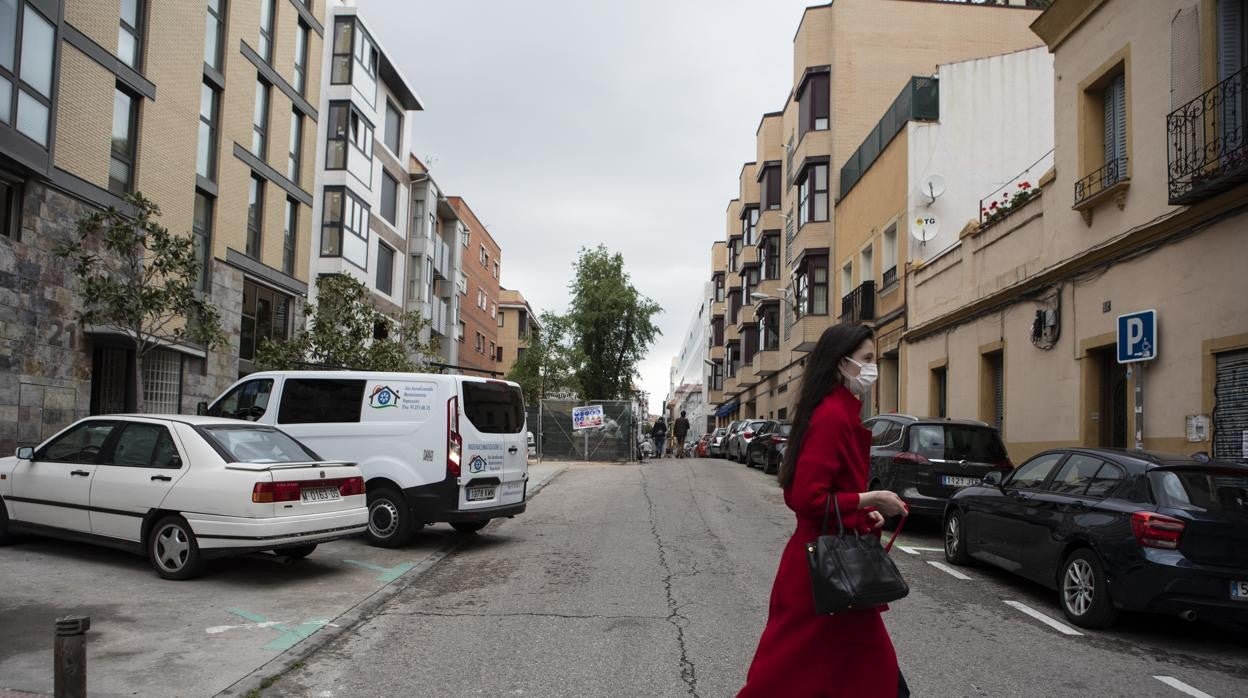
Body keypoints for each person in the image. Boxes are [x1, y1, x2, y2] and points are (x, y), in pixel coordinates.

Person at [739, 323, 911, 698]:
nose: (872, 369)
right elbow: (805, 499)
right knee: (793, 676)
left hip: (829, 569)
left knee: (811, 675)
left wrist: (862, 511)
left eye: (874, 360)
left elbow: (826, 494)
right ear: (841, 363)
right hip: (827, 572)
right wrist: (871, 499)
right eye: (866, 360)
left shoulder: (837, 410)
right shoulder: (832, 415)